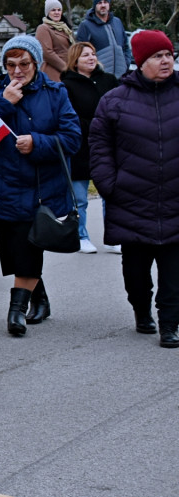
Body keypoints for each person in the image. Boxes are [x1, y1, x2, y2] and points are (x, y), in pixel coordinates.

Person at [0, 35, 81, 336]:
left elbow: (73, 138)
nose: (17, 71)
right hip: (3, 185)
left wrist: (38, 143)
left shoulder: (56, 92)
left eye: (24, 64)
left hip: (41, 187)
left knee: (30, 247)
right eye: (11, 64)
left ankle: (16, 310)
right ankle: (40, 299)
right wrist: (4, 104)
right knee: (16, 250)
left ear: (36, 63)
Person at [89, 29, 179, 348]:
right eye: (157, 56)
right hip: (131, 201)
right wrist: (110, 185)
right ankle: (142, 311)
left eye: (168, 54)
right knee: (136, 275)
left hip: (174, 202)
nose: (165, 60)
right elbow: (99, 145)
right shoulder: (115, 100)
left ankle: (170, 324)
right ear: (140, 61)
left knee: (174, 274)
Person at [61, 41, 118, 255]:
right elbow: (70, 116)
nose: (91, 58)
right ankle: (81, 236)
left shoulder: (109, 80)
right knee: (80, 197)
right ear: (75, 61)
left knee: (109, 194)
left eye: (93, 54)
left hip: (108, 145)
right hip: (80, 146)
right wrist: (97, 124)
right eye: (85, 55)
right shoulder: (67, 85)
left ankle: (113, 237)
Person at [76, 0, 132, 79]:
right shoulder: (85, 25)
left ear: (109, 4)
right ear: (95, 5)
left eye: (105, 2)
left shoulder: (117, 22)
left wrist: (126, 63)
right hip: (99, 78)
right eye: (99, 3)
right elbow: (79, 52)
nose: (103, 5)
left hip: (120, 77)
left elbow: (126, 46)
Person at [36, 0, 75, 82]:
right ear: (47, 13)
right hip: (54, 71)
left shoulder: (65, 28)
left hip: (70, 68)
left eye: (59, 10)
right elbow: (47, 52)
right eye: (53, 10)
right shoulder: (43, 28)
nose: (57, 12)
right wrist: (65, 68)